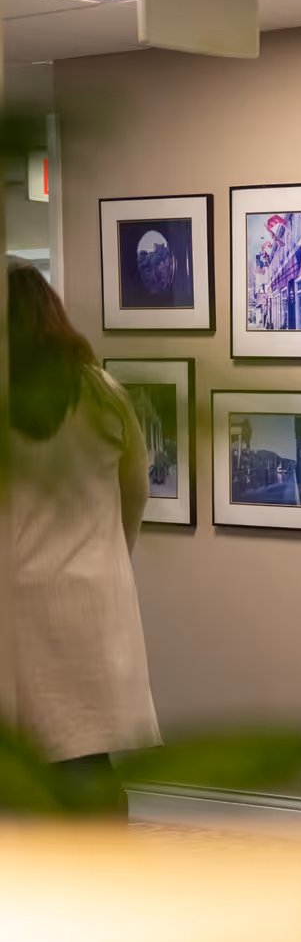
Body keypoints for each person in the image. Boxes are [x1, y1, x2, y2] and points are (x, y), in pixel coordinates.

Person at [8, 259, 161, 815]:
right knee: (84, 758)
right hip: (91, 601)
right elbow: (136, 495)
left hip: (16, 602)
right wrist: (106, 559)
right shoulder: (106, 395)